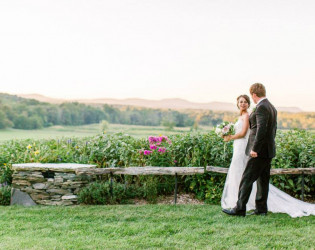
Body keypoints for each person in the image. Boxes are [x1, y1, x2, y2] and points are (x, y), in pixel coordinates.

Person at [221, 83, 315, 217]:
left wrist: (255, 148)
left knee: (246, 179)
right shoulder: (272, 107)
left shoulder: (261, 107)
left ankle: (239, 209)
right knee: (262, 180)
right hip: (268, 151)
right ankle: (261, 209)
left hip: (258, 152)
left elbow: (261, 130)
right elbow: (273, 130)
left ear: (254, 95)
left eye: (251, 97)